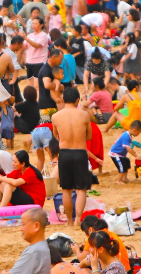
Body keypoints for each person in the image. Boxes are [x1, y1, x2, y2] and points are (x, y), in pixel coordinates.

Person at [51, 88, 91, 227]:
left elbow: (56, 135)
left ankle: (69, 220)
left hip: (65, 153)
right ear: (77, 100)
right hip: (80, 152)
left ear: (63, 100)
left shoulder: (56, 116)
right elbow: (89, 136)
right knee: (81, 189)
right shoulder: (84, 114)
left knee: (66, 189)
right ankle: (78, 219)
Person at [2, 208, 51, 274]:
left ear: (36, 226)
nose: (21, 229)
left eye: (23, 224)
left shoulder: (34, 252)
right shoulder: (41, 247)